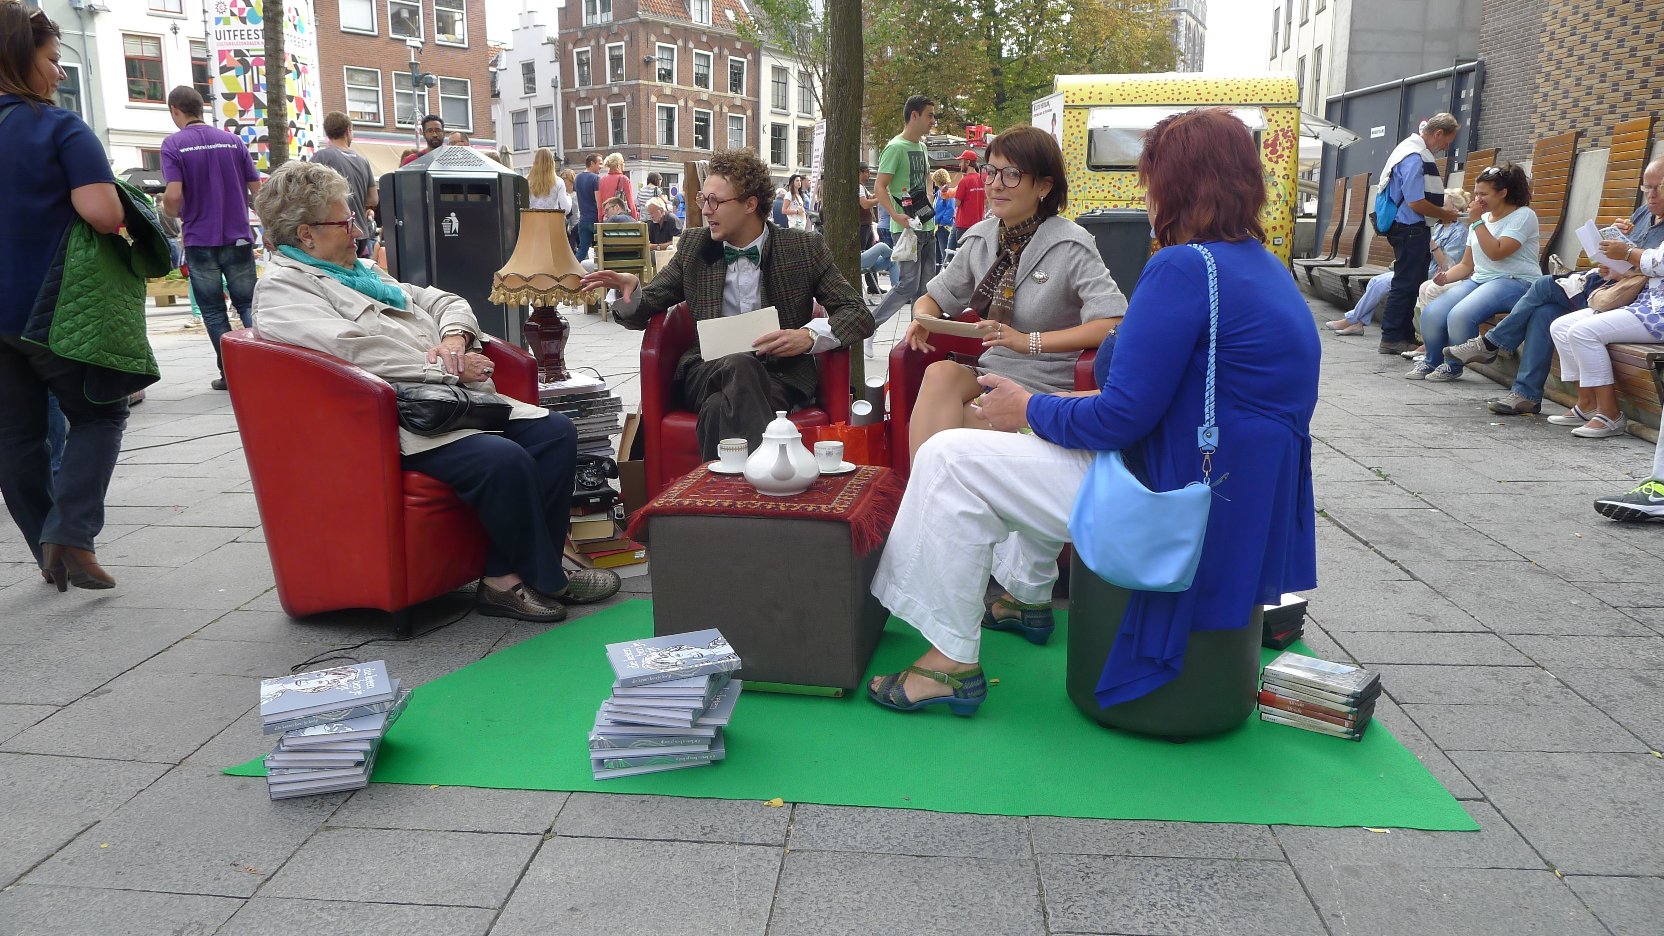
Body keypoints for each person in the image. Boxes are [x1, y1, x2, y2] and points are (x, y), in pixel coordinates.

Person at [865, 107, 1318, 717]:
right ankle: (1022, 596)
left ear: (1175, 185)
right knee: (1013, 452)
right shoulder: (1265, 270)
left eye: (1150, 180)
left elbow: (1120, 421)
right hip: (1231, 504)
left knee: (949, 458)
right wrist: (1053, 407)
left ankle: (948, 660)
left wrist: (1032, 407)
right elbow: (1176, 401)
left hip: (1167, 503)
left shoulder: (1183, 267)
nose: (1146, 195)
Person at [250, 161, 621, 621]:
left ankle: (507, 576)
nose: (358, 232)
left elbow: (445, 300)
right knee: (503, 460)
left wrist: (454, 340)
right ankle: (536, 579)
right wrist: (449, 370)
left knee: (556, 431)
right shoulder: (283, 291)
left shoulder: (362, 271)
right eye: (345, 223)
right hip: (393, 422)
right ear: (306, 235)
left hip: (449, 402)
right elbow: (354, 352)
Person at [898, 125, 1125, 638]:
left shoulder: (1071, 244)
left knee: (962, 423)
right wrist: (922, 316)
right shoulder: (981, 236)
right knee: (938, 373)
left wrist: (1029, 342)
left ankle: (956, 561)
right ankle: (931, 522)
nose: (995, 184)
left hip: (1044, 384)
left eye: (1011, 175)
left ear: (1043, 185)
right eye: (991, 171)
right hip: (989, 370)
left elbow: (1113, 320)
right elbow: (937, 294)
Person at [579, 148, 873, 458]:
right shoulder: (695, 247)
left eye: (715, 201)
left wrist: (808, 336)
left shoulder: (801, 248)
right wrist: (632, 291)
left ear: (750, 204)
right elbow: (647, 306)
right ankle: (771, 474)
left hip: (778, 378)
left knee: (719, 407)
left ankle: (722, 486)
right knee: (739, 364)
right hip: (705, 372)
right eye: (702, 200)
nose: (706, 210)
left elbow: (858, 313)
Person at [0, 0, 127, 590]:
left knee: (16, 436)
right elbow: (102, 213)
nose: (58, 71)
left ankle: (47, 553)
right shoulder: (59, 128)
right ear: (19, 56)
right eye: (52, 59)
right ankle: (71, 533)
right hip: (48, 305)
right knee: (100, 413)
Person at [1451, 157, 1664, 415]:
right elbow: (1622, 260)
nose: (1651, 195)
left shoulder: (1522, 216)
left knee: (1544, 285)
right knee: (1545, 313)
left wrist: (1627, 255)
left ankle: (1492, 344)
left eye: (1659, 187)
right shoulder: (1643, 214)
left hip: (1637, 301)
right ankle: (1528, 395)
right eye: (1646, 187)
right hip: (1609, 287)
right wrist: (1616, 242)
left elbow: (1651, 265)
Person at [159, 85, 262, 391]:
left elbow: (173, 196)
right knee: (248, 304)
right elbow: (257, 191)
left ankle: (231, 374)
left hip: (200, 238)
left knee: (214, 310)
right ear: (201, 107)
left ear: (175, 110)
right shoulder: (233, 141)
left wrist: (173, 212)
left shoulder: (174, 144)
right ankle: (263, 368)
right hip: (238, 235)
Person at [1409, 163, 1540, 382]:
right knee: (1432, 312)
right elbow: (1466, 265)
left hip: (1516, 281)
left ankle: (1453, 365)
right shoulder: (1480, 220)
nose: (1477, 199)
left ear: (1503, 193)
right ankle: (1432, 361)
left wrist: (1477, 221)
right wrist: (1445, 278)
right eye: (1476, 193)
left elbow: (1496, 252)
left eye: (1483, 194)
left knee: (1460, 315)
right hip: (1481, 280)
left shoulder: (1523, 216)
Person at [1544, 227, 1664, 439]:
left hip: (1658, 313)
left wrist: (1627, 253)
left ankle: (1610, 414)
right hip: (1644, 301)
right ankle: (1587, 403)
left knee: (1583, 332)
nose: (1650, 207)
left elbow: (1659, 263)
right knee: (1560, 327)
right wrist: (1618, 266)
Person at [1325, 189, 1470, 335]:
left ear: (1455, 210)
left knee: (1381, 284)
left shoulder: (1459, 233)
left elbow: (1448, 266)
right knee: (1375, 281)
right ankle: (1357, 323)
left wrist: (1432, 245)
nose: (1438, 208)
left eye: (1443, 205)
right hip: (1417, 267)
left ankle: (1352, 320)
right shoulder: (1437, 226)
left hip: (1431, 275)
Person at [1376, 113, 1463, 355]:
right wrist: (1443, 214)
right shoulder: (1414, 158)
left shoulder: (1408, 150)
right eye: (1446, 142)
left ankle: (1401, 335)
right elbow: (1416, 202)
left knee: (1410, 281)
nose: (1445, 148)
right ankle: (1393, 336)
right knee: (1406, 283)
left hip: (1406, 228)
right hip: (1410, 228)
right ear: (1438, 134)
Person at [868, 95, 941, 352]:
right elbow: (880, 186)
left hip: (927, 225)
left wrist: (929, 196)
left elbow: (927, 177)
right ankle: (869, 327)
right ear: (914, 115)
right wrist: (895, 215)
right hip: (907, 229)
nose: (933, 121)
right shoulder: (895, 148)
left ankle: (915, 341)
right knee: (908, 284)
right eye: (930, 115)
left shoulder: (921, 146)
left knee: (925, 287)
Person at [308, 111, 378, 259]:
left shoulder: (321, 157)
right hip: (361, 232)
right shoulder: (363, 161)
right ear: (348, 130)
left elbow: (307, 192)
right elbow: (373, 199)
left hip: (335, 232)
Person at [857, 162, 885, 296]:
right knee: (864, 254)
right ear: (861, 172)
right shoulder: (858, 187)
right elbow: (865, 204)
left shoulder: (862, 187)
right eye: (867, 172)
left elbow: (870, 197)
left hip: (866, 225)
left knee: (870, 255)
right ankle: (870, 285)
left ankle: (873, 285)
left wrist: (879, 194)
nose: (869, 175)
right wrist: (880, 199)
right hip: (862, 226)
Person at [950, 148, 984, 250]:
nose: (959, 164)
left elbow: (957, 203)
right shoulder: (982, 179)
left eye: (961, 161)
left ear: (968, 162)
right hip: (978, 224)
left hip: (963, 225)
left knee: (960, 254)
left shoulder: (964, 181)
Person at [573, 152, 602, 260]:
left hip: (583, 220)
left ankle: (573, 269)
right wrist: (601, 219)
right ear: (592, 163)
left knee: (582, 250)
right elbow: (599, 202)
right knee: (603, 247)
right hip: (594, 219)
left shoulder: (577, 178)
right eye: (599, 163)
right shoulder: (596, 179)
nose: (601, 166)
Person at [595, 152, 637, 220]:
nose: (623, 165)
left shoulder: (602, 180)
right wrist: (634, 218)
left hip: (606, 217)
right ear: (618, 165)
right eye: (622, 162)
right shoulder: (624, 179)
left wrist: (600, 219)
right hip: (620, 219)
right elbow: (631, 204)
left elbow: (600, 205)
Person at [526, 147, 570, 212]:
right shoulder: (558, 182)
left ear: (535, 162)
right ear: (552, 162)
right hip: (551, 218)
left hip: (533, 218)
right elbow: (566, 209)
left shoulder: (527, 180)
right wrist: (569, 198)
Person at [932, 167, 956, 258]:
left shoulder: (948, 192)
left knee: (945, 253)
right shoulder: (938, 193)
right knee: (939, 253)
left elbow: (951, 209)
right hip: (937, 226)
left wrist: (943, 222)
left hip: (944, 227)